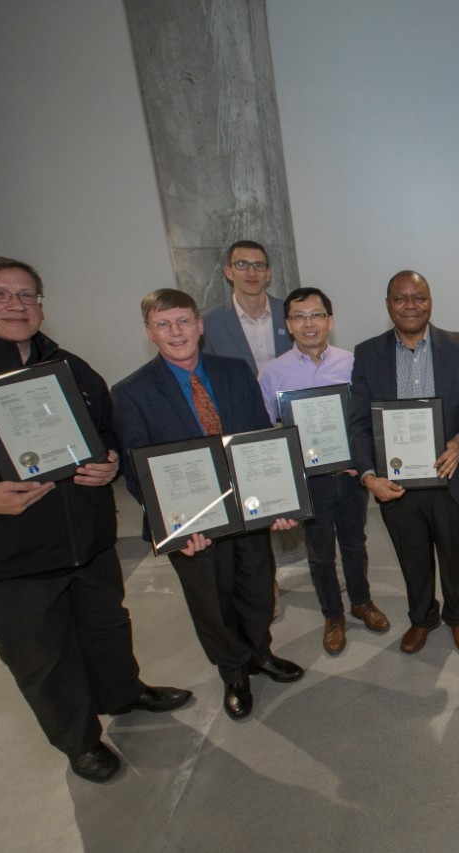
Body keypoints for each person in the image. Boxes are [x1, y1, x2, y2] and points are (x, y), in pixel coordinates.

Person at [0, 256, 191, 784]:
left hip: (84, 540)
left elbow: (105, 433)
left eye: (27, 295)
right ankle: (79, 740)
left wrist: (108, 460)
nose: (16, 305)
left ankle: (124, 693)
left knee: (107, 627)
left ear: (41, 305)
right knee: (42, 657)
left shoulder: (70, 368)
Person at [113, 288, 304, 721]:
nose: (176, 332)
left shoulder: (234, 371)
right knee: (212, 603)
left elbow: (259, 437)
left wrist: (276, 500)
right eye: (163, 324)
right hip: (193, 525)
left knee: (257, 589)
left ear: (199, 325)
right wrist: (174, 528)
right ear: (149, 332)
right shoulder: (131, 392)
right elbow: (136, 470)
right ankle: (234, 672)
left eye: (183, 321)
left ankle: (260, 653)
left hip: (247, 509)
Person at [350, 271, 459, 654]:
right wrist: (367, 475)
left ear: (431, 301)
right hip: (396, 481)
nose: (410, 305)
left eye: (419, 297)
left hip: (448, 472)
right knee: (412, 555)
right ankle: (423, 618)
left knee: (454, 552)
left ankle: (458, 615)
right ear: (388, 304)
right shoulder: (367, 353)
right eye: (400, 298)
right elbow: (359, 422)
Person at [257, 287, 390, 656]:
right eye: (299, 317)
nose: (309, 323)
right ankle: (333, 615)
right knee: (319, 552)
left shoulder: (353, 363)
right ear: (288, 325)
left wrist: (364, 463)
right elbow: (268, 433)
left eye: (316, 315)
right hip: (308, 481)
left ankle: (361, 602)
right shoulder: (272, 374)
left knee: (354, 542)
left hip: (349, 475)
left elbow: (366, 420)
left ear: (330, 320)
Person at [201, 239, 291, 375]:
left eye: (259, 265)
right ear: (229, 272)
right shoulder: (209, 323)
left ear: (268, 273)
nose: (252, 273)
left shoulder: (290, 312)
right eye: (242, 265)